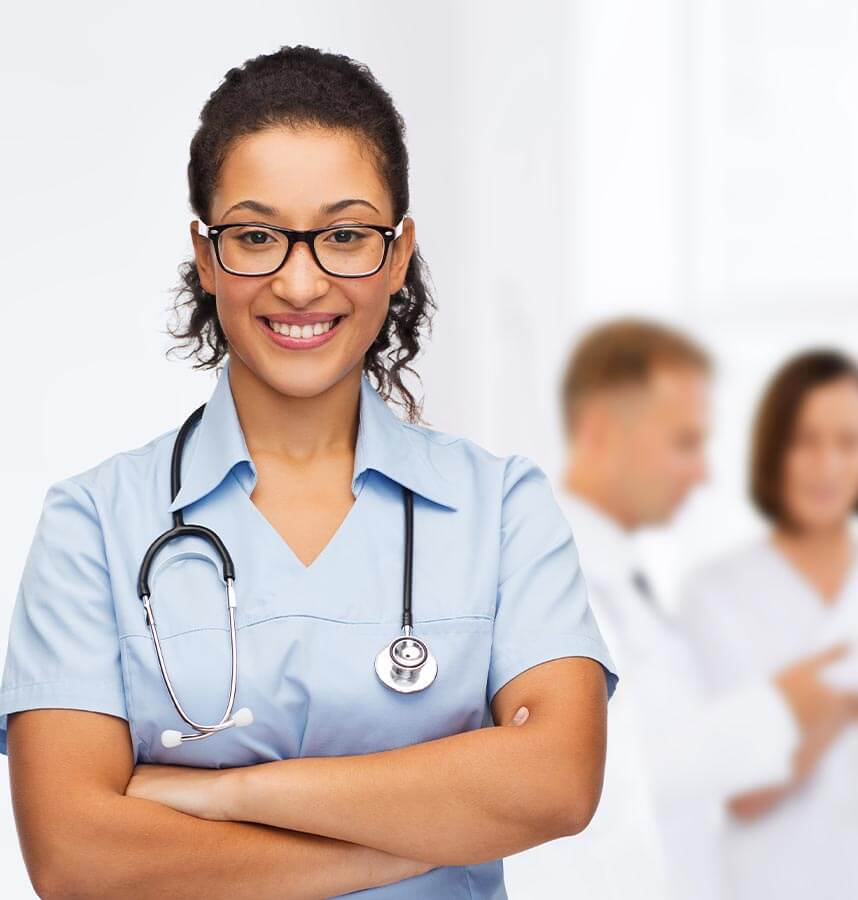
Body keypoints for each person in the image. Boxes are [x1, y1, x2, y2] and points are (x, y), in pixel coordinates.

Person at [0, 45, 618, 899]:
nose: (299, 281)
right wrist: (412, 840)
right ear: (207, 256)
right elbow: (75, 854)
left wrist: (230, 794)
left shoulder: (501, 508)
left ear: (398, 255)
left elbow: (557, 782)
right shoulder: (93, 525)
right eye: (256, 236)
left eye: (346, 236)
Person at [506, 318, 858, 900]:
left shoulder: (624, 578)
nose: (703, 473)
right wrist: (790, 704)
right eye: (685, 442)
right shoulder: (549, 577)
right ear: (600, 433)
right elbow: (602, 770)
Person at [678, 349, 858, 900]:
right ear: (773, 450)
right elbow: (739, 790)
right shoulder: (716, 592)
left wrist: (804, 707)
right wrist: (852, 702)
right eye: (806, 441)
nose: (827, 465)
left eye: (848, 443)